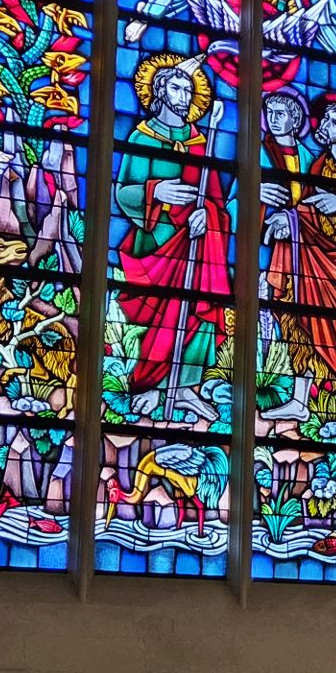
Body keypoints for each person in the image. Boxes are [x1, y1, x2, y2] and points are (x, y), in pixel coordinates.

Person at [113, 53, 232, 423]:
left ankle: (184, 388)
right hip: (156, 243)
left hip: (197, 244)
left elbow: (216, 201)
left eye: (188, 90)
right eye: (177, 88)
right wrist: (156, 192)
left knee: (198, 311)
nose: (184, 95)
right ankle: (152, 385)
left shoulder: (200, 142)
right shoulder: (141, 137)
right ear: (160, 92)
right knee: (162, 315)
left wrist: (207, 215)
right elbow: (123, 192)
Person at [260, 89, 336, 443]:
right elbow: (307, 211)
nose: (324, 125)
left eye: (333, 121)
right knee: (300, 323)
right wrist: (289, 221)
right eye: (325, 119)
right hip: (310, 258)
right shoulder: (317, 166)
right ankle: (299, 401)